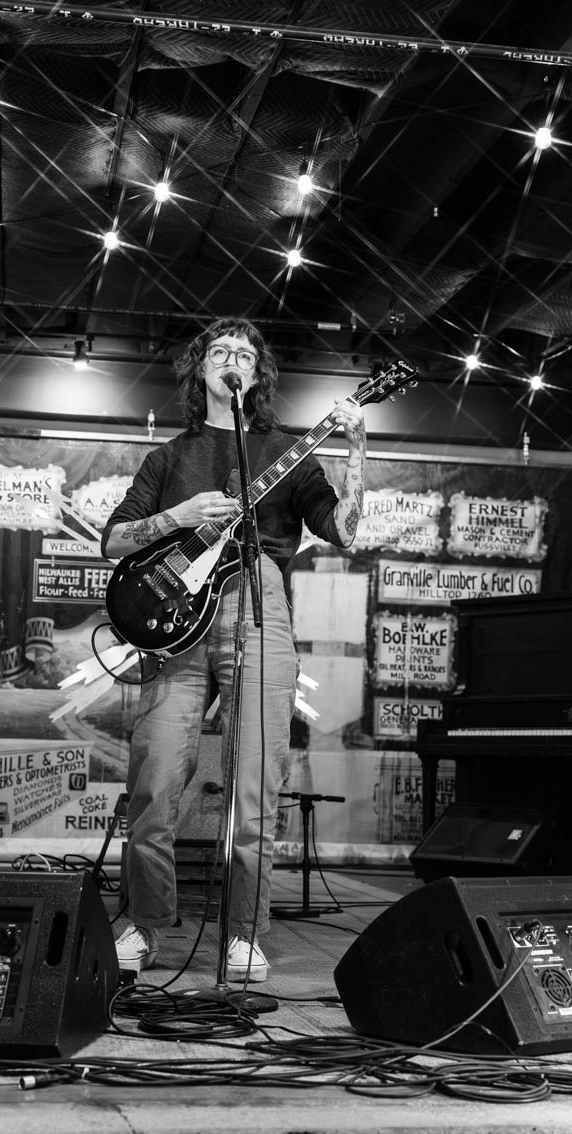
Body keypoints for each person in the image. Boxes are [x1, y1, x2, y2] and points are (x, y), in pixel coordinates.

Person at [101, 317, 366, 983]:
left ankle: (244, 934)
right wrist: (179, 517)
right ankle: (146, 923)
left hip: (259, 601)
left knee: (256, 785)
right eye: (218, 351)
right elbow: (114, 542)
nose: (230, 360)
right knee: (155, 780)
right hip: (179, 620)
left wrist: (358, 447)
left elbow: (346, 532)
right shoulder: (169, 456)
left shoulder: (287, 450)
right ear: (202, 371)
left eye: (243, 354)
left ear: (256, 375)